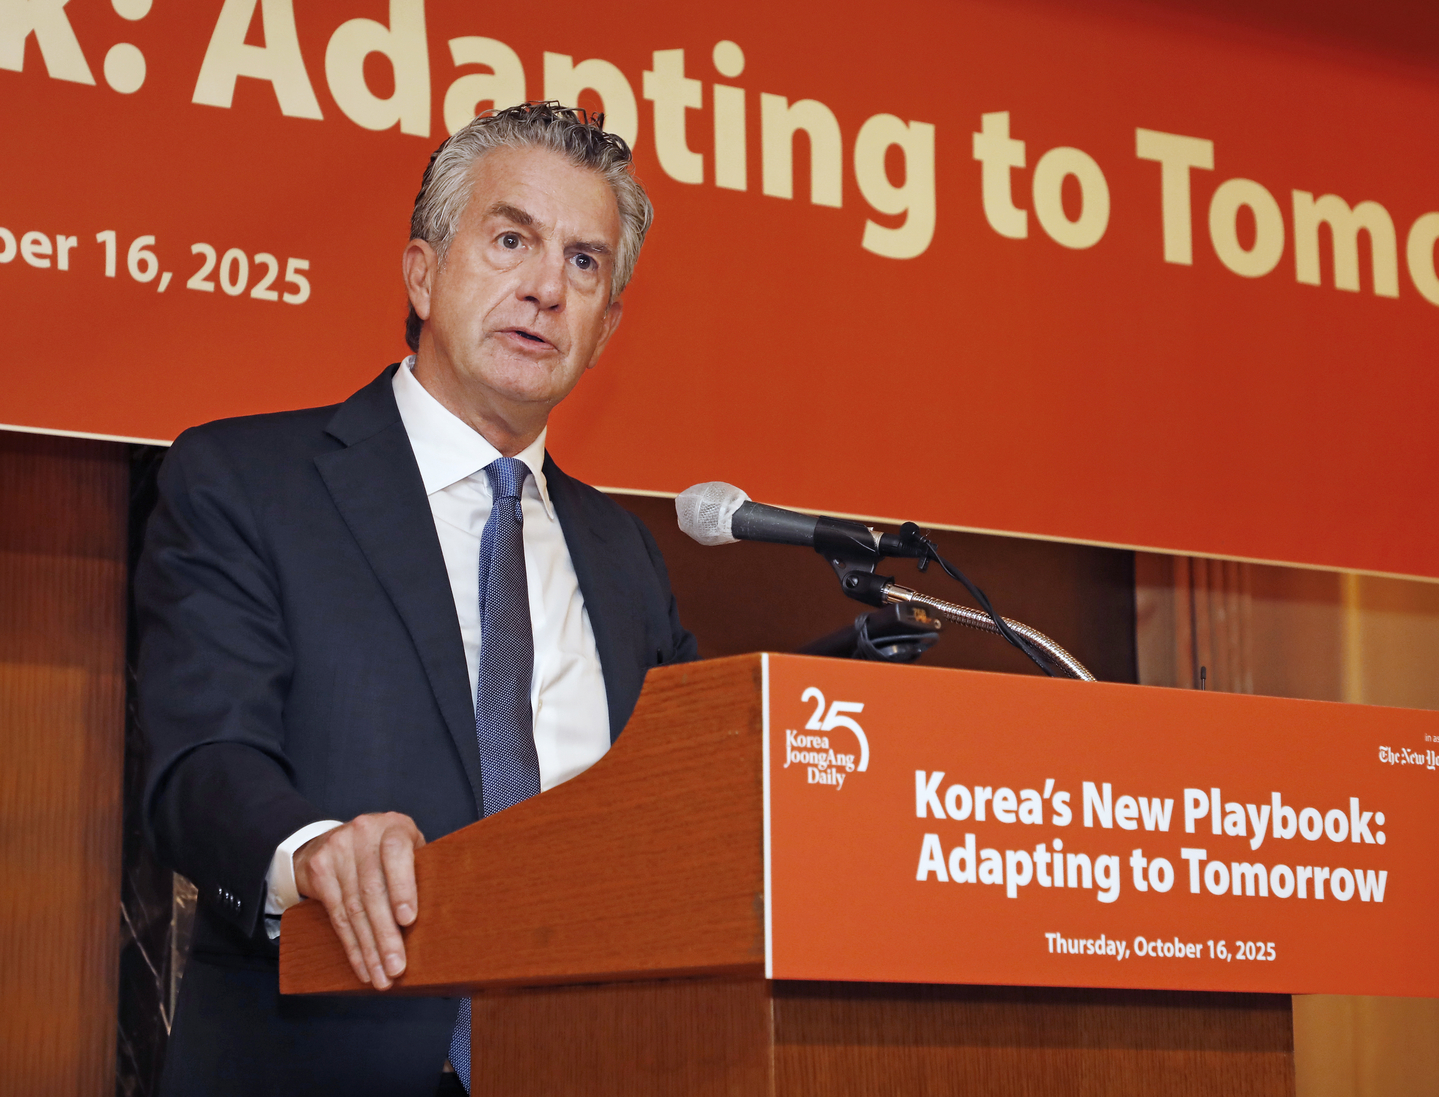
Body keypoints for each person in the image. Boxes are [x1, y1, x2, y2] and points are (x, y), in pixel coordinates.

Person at [136, 102, 698, 1097]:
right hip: (317, 1062)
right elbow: (201, 761)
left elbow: (688, 800)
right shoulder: (245, 480)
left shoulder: (622, 555)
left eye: (582, 263)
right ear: (422, 271)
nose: (542, 289)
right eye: (511, 238)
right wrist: (311, 852)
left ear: (607, 325)